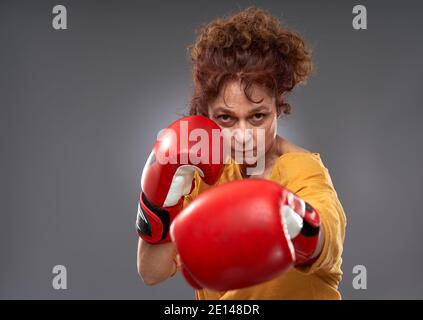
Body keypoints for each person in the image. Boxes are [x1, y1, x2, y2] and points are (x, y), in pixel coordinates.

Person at [136, 7, 346, 300]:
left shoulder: (302, 170)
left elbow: (328, 237)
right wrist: (160, 202)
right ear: (207, 114)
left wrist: (296, 224)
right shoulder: (199, 175)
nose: (244, 136)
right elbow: (151, 273)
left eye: (258, 116)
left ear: (278, 108)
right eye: (226, 118)